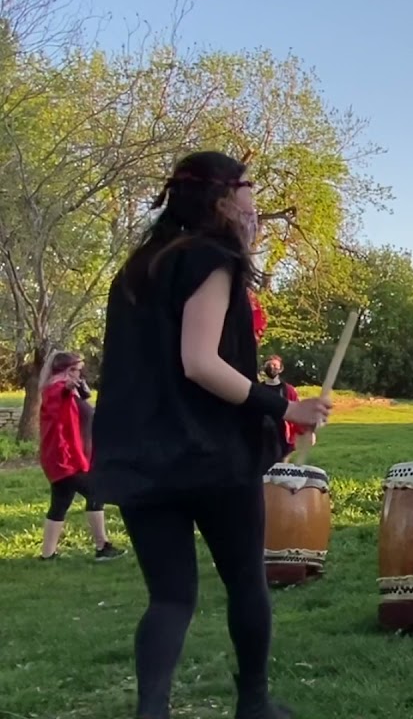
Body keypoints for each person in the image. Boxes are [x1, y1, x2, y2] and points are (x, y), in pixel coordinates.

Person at [90, 150, 332, 719]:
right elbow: (199, 362)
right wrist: (283, 408)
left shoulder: (138, 267)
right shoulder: (211, 258)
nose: (254, 200)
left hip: (142, 458)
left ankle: (151, 712)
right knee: (247, 581)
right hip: (209, 455)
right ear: (223, 197)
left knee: (171, 598)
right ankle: (253, 705)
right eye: (248, 187)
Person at [37, 351, 124, 561]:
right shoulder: (56, 389)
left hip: (71, 457)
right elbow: (59, 394)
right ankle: (102, 547)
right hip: (65, 459)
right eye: (75, 370)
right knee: (97, 493)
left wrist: (79, 391)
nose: (79, 374)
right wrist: (68, 386)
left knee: (60, 502)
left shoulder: (69, 390)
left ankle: (47, 554)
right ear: (65, 371)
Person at [260, 355, 310, 462]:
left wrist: (307, 432)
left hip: (283, 439)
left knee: (281, 472)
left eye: (275, 365)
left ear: (281, 369)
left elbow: (297, 412)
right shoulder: (258, 389)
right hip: (262, 438)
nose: (272, 367)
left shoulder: (288, 390)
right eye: (269, 365)